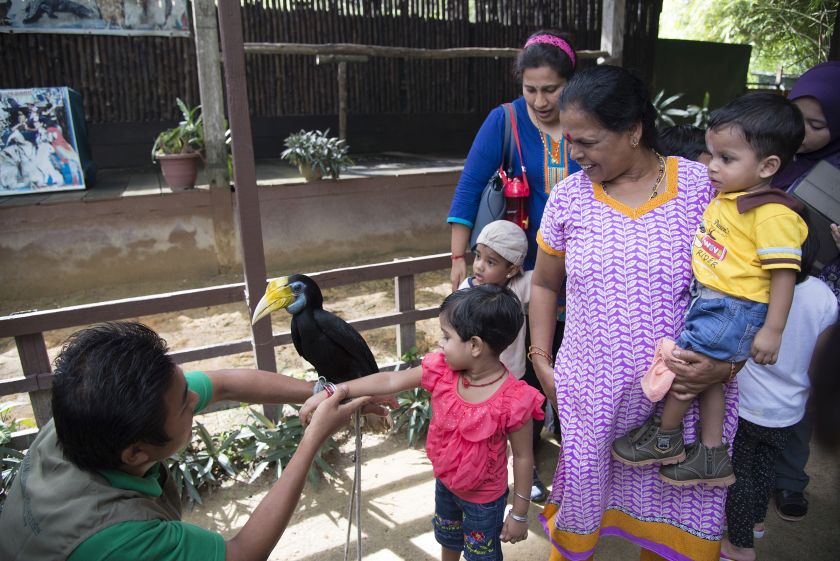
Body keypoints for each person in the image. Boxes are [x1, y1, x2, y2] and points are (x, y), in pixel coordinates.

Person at [530, 64, 740, 561]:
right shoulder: (569, 199)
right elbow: (542, 283)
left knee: (676, 519)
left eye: (587, 141)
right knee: (580, 515)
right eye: (568, 141)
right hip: (591, 397)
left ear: (633, 130)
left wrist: (728, 365)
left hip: (682, 400)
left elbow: (747, 290)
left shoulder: (700, 188)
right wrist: (543, 361)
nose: (573, 154)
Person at [0, 321, 386, 561]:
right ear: (135, 452)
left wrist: (322, 392)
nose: (196, 399)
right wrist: (313, 437)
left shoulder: (79, 420)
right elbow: (243, 554)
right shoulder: (122, 542)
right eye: (186, 406)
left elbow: (224, 384)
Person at [612, 92, 809, 486]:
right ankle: (712, 453)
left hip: (733, 308)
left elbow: (784, 273)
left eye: (726, 159)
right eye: (712, 155)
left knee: (686, 372)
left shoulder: (771, 213)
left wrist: (773, 329)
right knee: (708, 379)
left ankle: (666, 437)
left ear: (769, 165)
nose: (712, 167)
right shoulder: (733, 198)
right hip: (715, 303)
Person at [300, 285, 545, 561]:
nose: (441, 343)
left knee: (482, 556)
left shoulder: (514, 400)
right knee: (448, 537)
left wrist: (519, 512)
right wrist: (339, 390)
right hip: (446, 485)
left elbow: (523, 457)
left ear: (475, 345)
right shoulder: (443, 370)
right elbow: (390, 381)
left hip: (484, 501)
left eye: (446, 336)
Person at [448, 30, 579, 499]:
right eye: (531, 89)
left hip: (581, 268)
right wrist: (458, 257)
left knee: (568, 356)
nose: (541, 101)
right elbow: (469, 187)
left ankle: (575, 457)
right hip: (522, 272)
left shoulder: (589, 120)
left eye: (551, 89)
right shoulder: (503, 120)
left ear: (571, 83)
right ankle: (530, 465)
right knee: (520, 361)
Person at [720, 270, 837, 561]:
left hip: (749, 404)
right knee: (765, 466)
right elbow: (821, 359)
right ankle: (756, 522)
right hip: (789, 408)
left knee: (738, 475)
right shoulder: (824, 295)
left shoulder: (759, 284)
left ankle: (739, 545)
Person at [770, 61, 840, 521]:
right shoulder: (769, 154)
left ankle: (791, 479)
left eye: (817, 124)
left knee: (802, 386)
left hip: (820, 296)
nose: (802, 132)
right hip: (767, 288)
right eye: (797, 118)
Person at [459, 220, 531, 380]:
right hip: (474, 374)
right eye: (478, 256)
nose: (479, 266)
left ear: (511, 270)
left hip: (511, 376)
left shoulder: (517, 286)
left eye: (490, 262)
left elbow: (544, 277)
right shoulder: (466, 290)